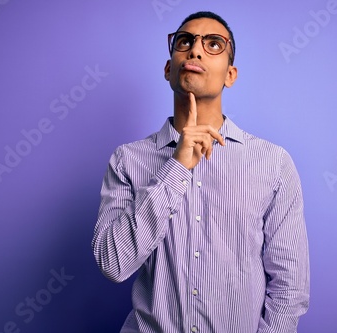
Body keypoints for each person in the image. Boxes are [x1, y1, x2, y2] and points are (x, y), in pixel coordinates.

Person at [92, 11, 309, 333]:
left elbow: (290, 285)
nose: (195, 50)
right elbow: (113, 263)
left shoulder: (272, 163)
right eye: (185, 41)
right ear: (169, 69)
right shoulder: (127, 160)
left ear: (230, 75)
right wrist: (176, 167)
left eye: (213, 44)